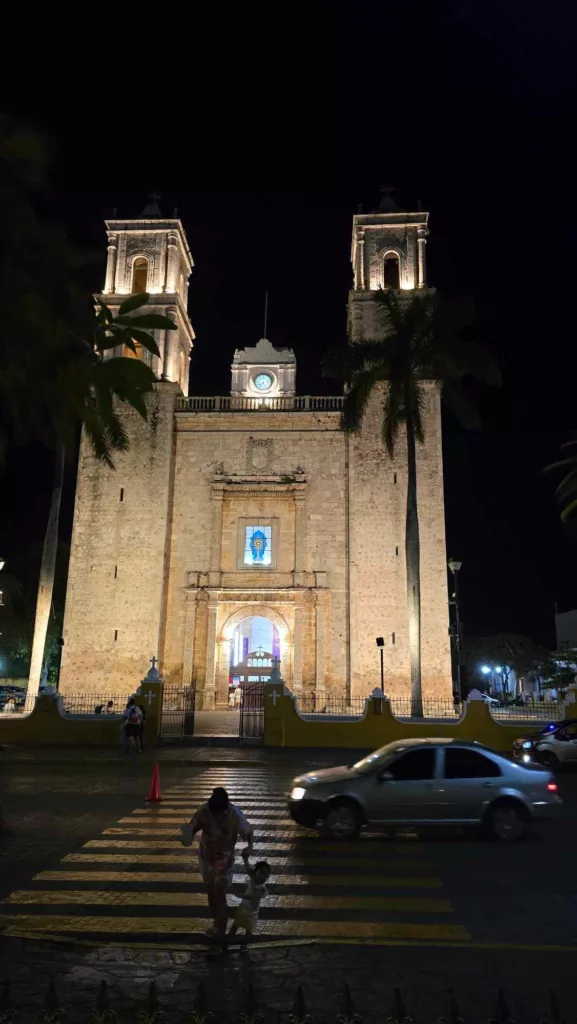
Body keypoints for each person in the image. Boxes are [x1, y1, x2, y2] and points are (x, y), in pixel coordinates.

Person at [189, 787, 253, 942]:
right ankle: (217, 924)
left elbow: (248, 831)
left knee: (219, 893)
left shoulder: (234, 814)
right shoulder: (203, 810)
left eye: (220, 814)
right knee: (211, 894)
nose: (217, 817)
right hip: (206, 857)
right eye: (214, 814)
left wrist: (249, 847)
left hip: (225, 860)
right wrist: (186, 835)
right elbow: (192, 828)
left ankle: (220, 935)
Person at [227, 849, 270, 949]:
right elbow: (249, 869)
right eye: (261, 873)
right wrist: (245, 859)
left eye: (266, 875)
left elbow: (252, 897)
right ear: (256, 873)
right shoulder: (254, 878)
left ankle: (244, 946)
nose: (263, 877)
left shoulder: (262, 888)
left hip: (252, 912)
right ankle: (228, 942)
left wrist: (239, 895)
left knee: (248, 930)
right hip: (243, 908)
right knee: (235, 925)